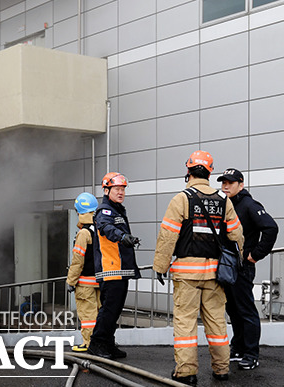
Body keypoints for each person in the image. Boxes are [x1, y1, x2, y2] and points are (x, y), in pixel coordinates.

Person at [154, 151, 244, 386]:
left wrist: (160, 266)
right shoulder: (224, 201)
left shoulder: (181, 199)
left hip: (186, 273)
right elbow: (237, 235)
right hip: (215, 274)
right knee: (217, 324)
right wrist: (239, 262)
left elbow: (167, 237)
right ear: (210, 172)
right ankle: (222, 369)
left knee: (185, 324)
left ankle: (186, 372)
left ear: (189, 171)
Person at [217, 168, 278, 370]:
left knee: (246, 310)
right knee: (232, 309)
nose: (226, 186)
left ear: (240, 185)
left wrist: (255, 255)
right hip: (227, 267)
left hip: (242, 267)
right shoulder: (226, 205)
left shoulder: (249, 205)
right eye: (223, 182)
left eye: (230, 183)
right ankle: (238, 347)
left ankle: (251, 353)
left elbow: (271, 228)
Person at [87, 172, 141, 359]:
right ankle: (97, 344)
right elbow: (105, 227)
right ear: (106, 190)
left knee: (114, 310)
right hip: (111, 270)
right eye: (117, 189)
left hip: (119, 270)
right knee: (109, 309)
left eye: (123, 189)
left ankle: (108, 343)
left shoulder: (117, 209)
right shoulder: (105, 210)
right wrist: (122, 237)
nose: (121, 192)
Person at [66, 192, 101, 352]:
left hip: (85, 283)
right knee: (100, 314)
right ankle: (101, 344)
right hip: (100, 280)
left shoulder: (83, 233)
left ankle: (88, 344)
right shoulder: (99, 230)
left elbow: (78, 260)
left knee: (88, 316)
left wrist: (70, 281)